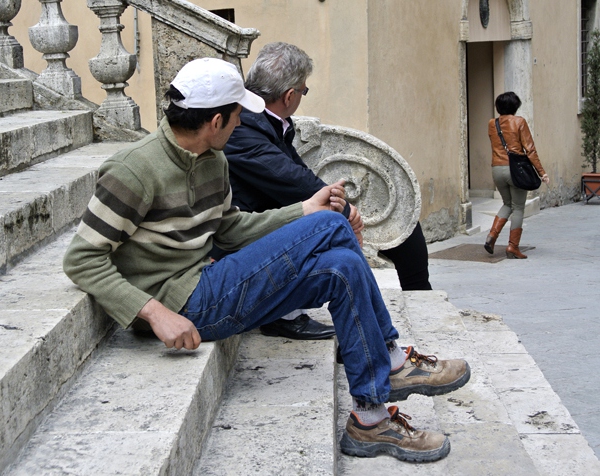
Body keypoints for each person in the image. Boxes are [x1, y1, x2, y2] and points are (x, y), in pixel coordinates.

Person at [63, 57, 470, 462]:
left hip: (211, 281)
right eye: (237, 115)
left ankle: (370, 418)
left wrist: (304, 209)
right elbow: (82, 259)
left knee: (342, 269)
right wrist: (154, 313)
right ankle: (392, 360)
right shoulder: (133, 169)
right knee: (332, 225)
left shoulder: (213, 160)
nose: (241, 124)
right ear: (216, 120)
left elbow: (230, 230)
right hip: (181, 305)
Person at [215, 42, 432, 341]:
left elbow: (298, 174)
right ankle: (370, 338)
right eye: (304, 91)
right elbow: (292, 181)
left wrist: (341, 208)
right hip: (246, 237)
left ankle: (395, 325)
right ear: (289, 95)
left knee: (393, 239)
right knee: (340, 243)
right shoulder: (243, 128)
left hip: (267, 219)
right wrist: (344, 211)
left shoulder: (265, 121)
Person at [485, 92, 550, 259]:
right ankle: (512, 247)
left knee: (507, 203)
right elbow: (530, 150)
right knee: (518, 207)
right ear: (515, 106)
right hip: (515, 170)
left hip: (496, 169)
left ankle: (492, 236)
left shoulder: (492, 124)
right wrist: (542, 173)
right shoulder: (519, 122)